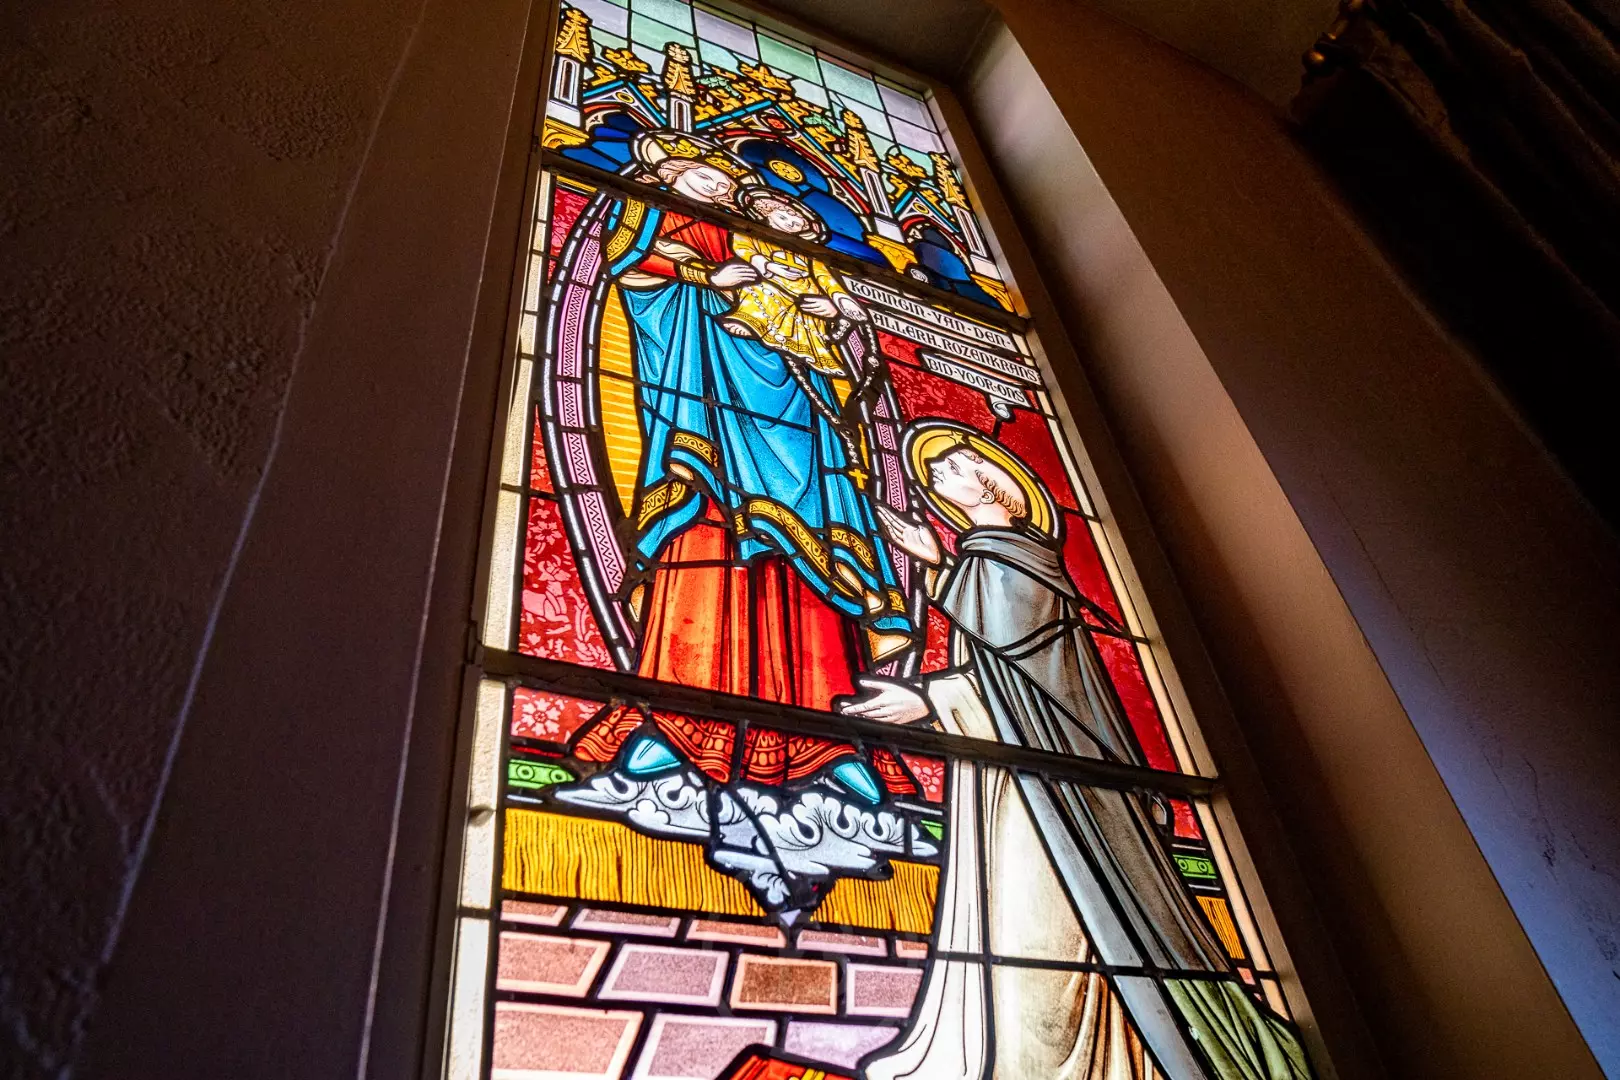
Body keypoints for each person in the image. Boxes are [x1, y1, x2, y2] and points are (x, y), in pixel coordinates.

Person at [841, 422, 1313, 1080]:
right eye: (933, 472)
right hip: (1023, 767)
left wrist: (927, 699)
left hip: (1054, 783)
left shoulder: (1008, 562)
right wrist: (939, 571)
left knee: (1040, 926)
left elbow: (1032, 676)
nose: (937, 478)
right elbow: (1010, 666)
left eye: (951, 464)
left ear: (991, 482)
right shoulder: (991, 562)